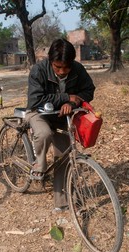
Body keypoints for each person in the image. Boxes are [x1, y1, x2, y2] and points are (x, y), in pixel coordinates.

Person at [25, 38, 95, 213]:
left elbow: (89, 90)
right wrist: (65, 97)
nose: (62, 71)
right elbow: (35, 99)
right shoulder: (38, 70)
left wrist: (73, 102)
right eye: (58, 67)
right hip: (39, 112)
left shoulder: (78, 69)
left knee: (63, 156)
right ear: (50, 61)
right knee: (44, 133)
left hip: (62, 116)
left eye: (66, 67)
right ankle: (38, 167)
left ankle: (62, 203)